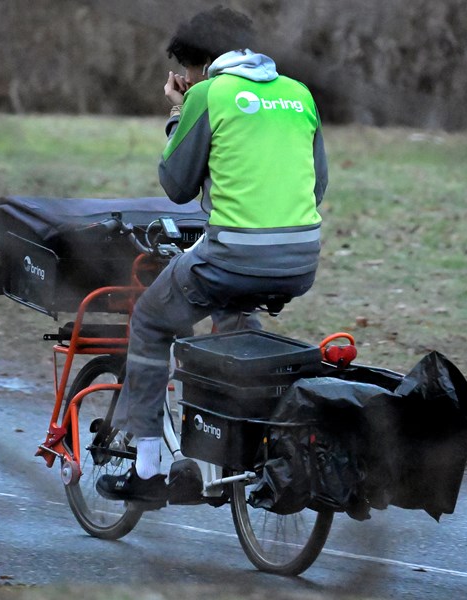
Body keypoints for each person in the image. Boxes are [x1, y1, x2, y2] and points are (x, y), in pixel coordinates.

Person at [97, 6, 328, 506]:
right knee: (233, 311)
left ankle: (148, 468)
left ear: (202, 63)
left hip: (234, 256)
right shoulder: (298, 93)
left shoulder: (208, 93)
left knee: (152, 323)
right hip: (302, 258)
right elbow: (319, 184)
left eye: (187, 69)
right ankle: (247, 446)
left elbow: (177, 186)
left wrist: (179, 114)